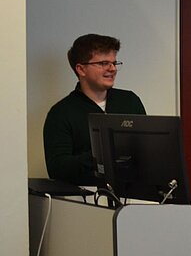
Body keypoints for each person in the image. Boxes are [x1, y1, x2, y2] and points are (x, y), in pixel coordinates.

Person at [43, 34, 146, 185]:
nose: (112, 68)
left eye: (114, 63)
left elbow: (146, 153)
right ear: (81, 69)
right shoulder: (60, 113)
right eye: (104, 63)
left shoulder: (130, 101)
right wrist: (100, 154)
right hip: (87, 196)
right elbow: (58, 169)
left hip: (134, 193)